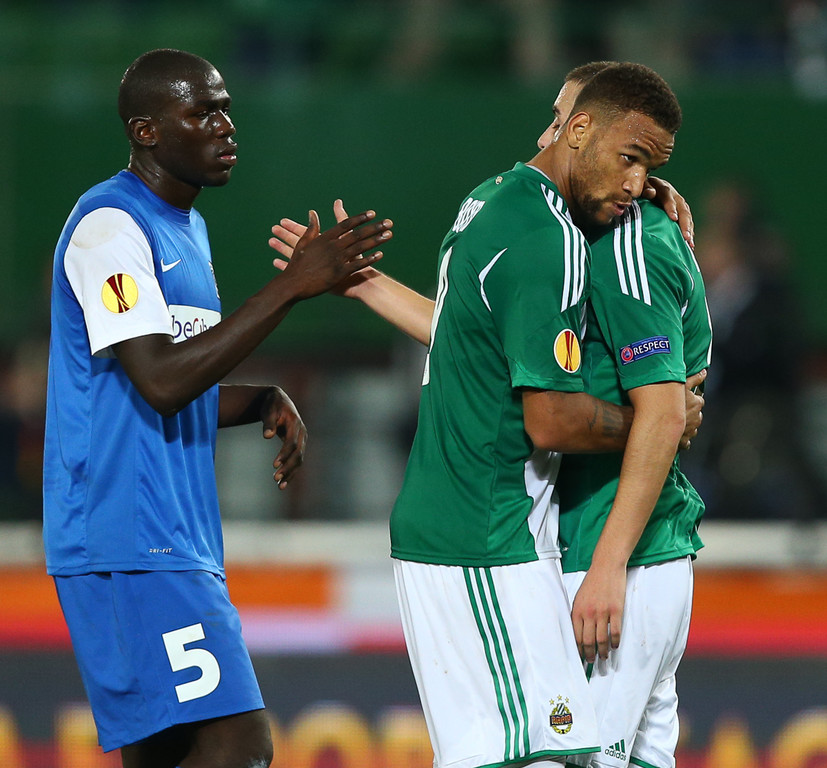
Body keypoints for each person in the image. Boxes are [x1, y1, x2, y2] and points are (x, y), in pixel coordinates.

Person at [272, 62, 707, 768]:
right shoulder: (550, 238)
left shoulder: (495, 202)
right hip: (481, 531)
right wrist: (660, 426)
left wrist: (366, 284)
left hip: (508, 533)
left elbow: (467, 337)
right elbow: (550, 419)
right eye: (629, 159)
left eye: (647, 167)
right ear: (579, 129)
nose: (634, 182)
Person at [43, 48, 392, 768]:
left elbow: (150, 390)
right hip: (130, 539)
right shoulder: (110, 226)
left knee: (169, 754)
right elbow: (160, 381)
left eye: (227, 109)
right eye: (202, 112)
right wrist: (290, 287)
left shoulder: (186, 228)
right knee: (240, 743)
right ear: (145, 130)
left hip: (172, 535)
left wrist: (254, 398)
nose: (226, 126)